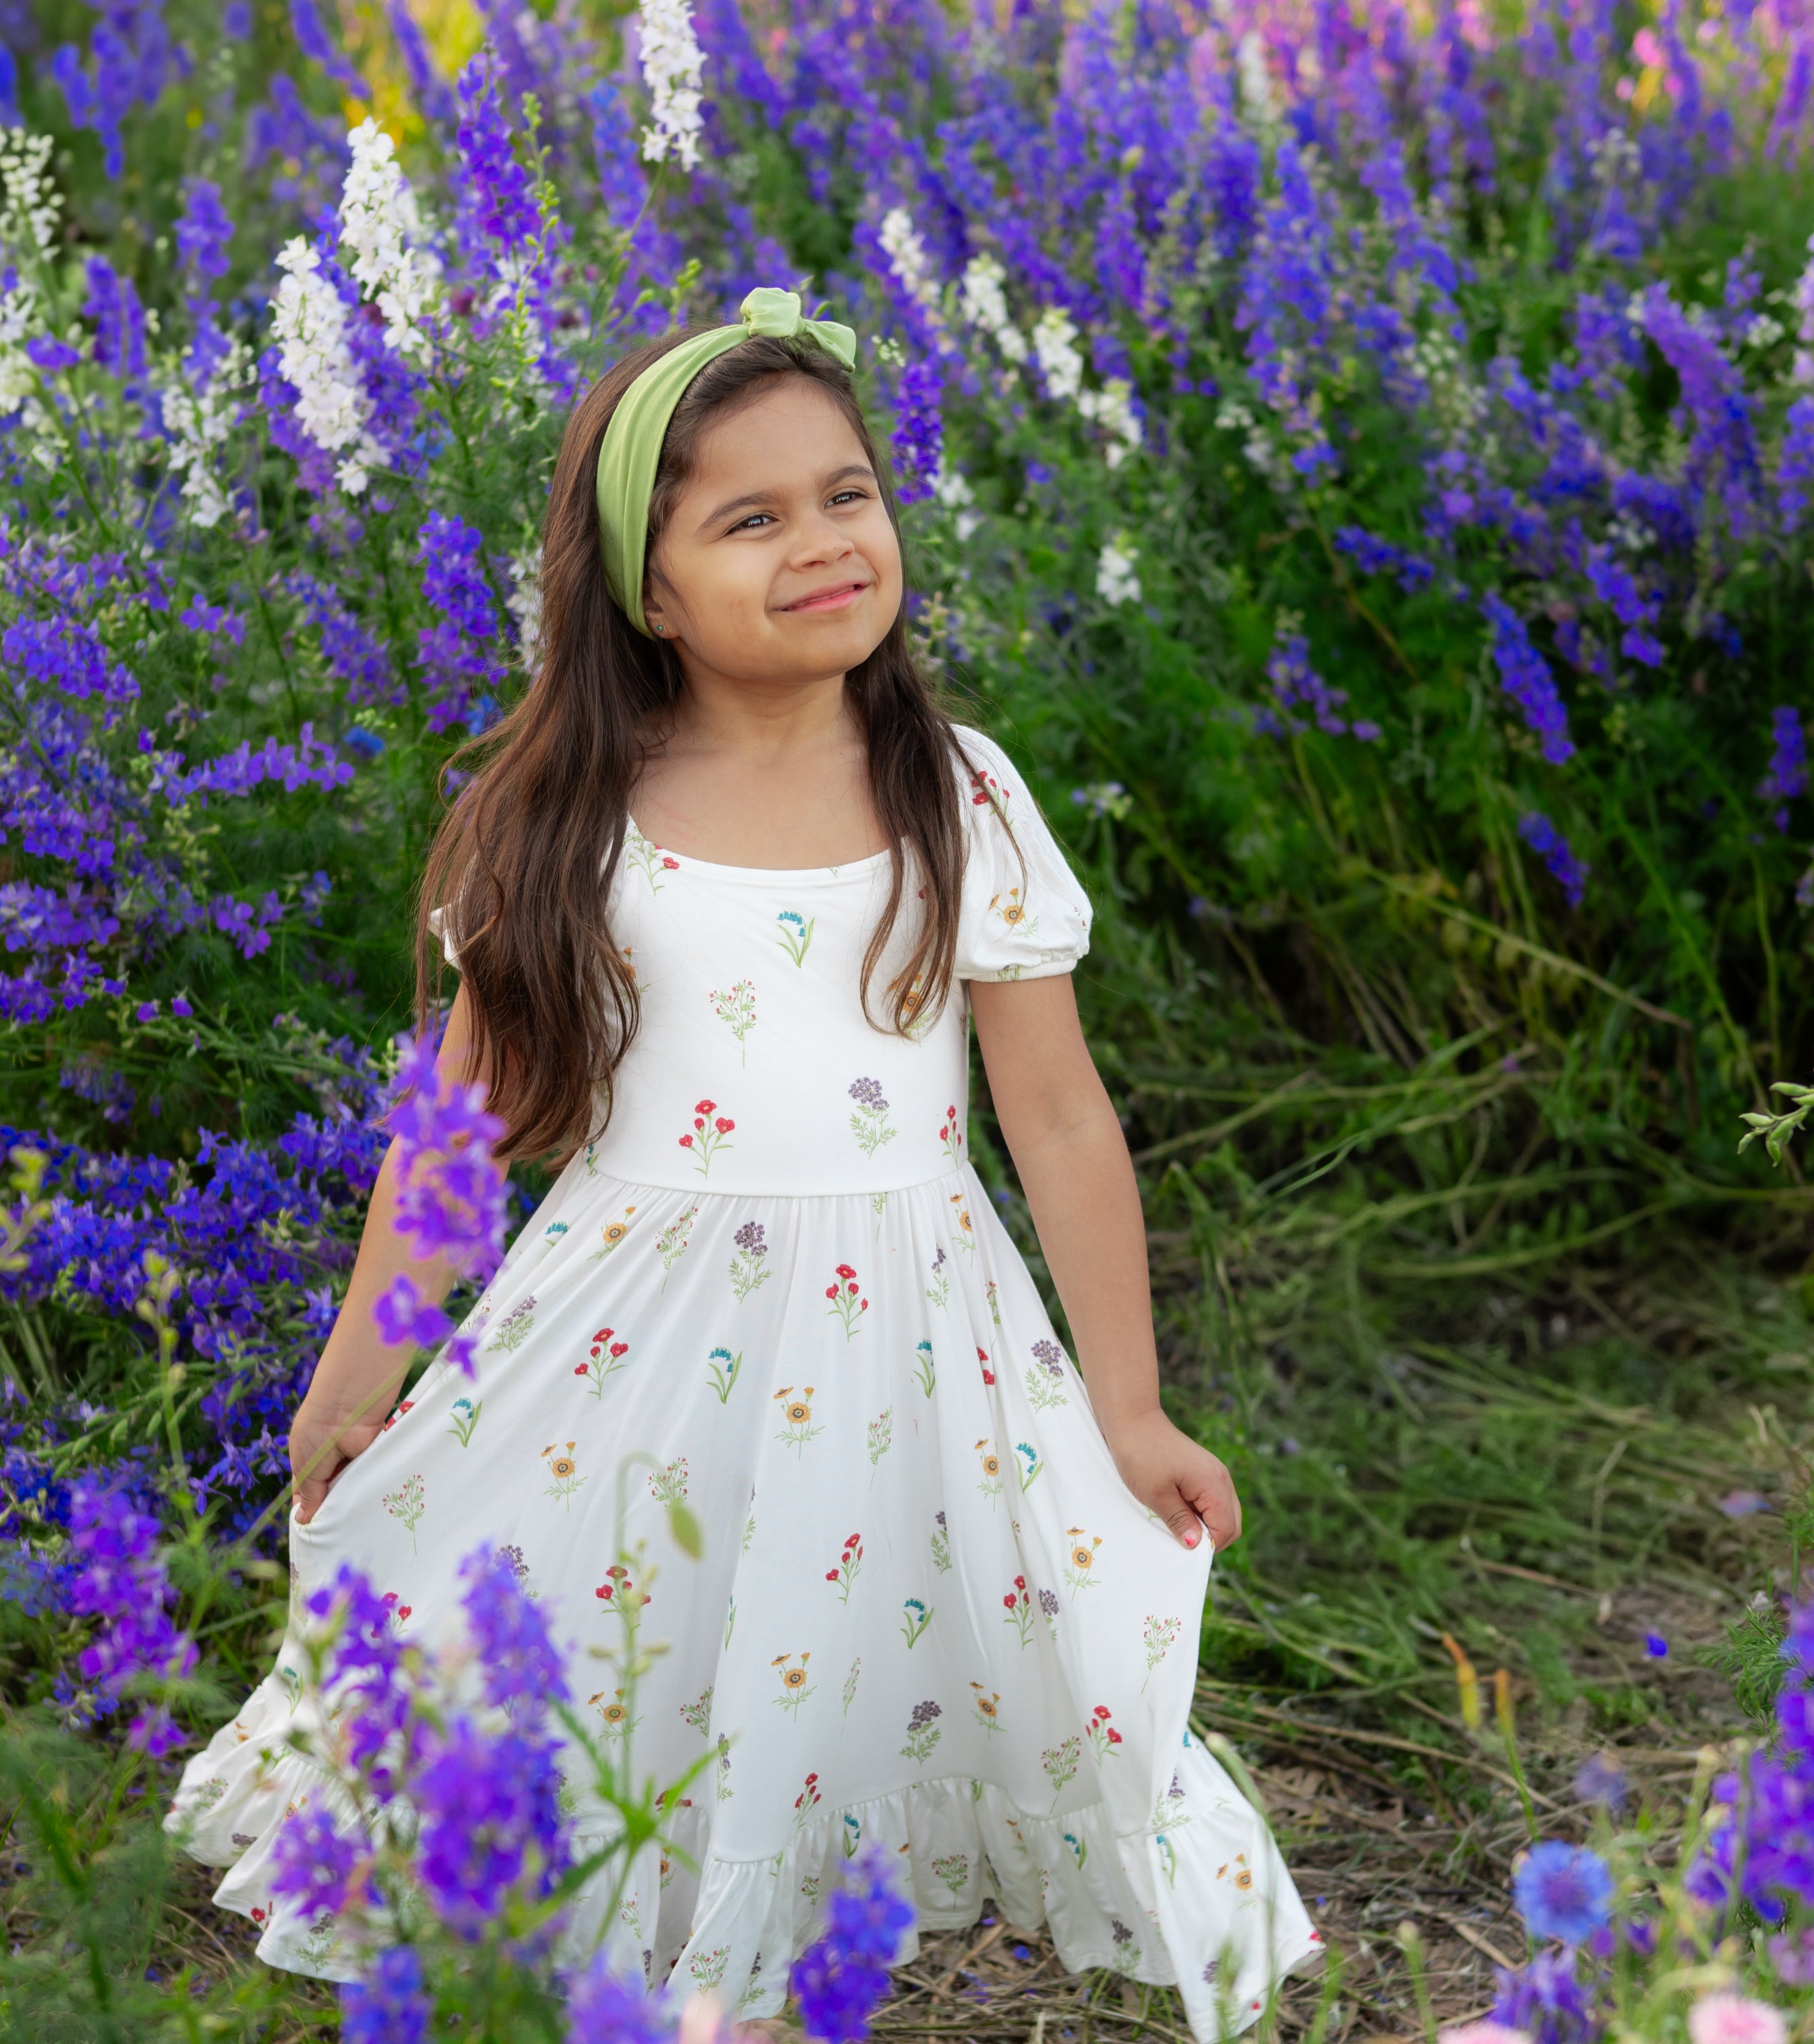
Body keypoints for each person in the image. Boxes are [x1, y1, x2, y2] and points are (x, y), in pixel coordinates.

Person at [170, 288, 1317, 2039]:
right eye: (750, 520)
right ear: (649, 589)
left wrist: (1131, 1407)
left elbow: (1061, 1119)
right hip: (635, 1334)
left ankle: (773, 1964)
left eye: (846, 494)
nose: (822, 543)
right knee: (624, 1654)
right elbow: (459, 1125)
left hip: (906, 1342)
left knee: (839, 1655)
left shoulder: (958, 792)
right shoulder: (564, 811)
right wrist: (358, 1370)